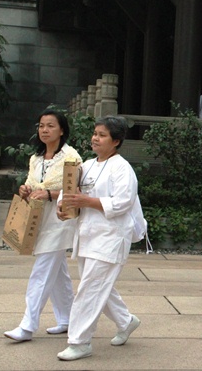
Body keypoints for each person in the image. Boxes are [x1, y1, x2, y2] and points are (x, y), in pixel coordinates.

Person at [55, 116, 145, 361]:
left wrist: (88, 201)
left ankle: (79, 342)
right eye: (95, 133)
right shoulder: (87, 165)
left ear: (116, 141)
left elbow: (123, 202)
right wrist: (63, 206)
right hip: (87, 234)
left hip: (111, 236)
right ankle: (125, 321)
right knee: (96, 285)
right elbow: (68, 189)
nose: (95, 138)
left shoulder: (122, 168)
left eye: (102, 135)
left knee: (90, 289)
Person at [4, 109, 82, 342]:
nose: (44, 130)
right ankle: (67, 318)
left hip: (60, 220)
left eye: (50, 126)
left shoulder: (71, 157)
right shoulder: (36, 158)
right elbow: (31, 185)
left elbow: (75, 190)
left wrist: (49, 194)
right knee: (57, 273)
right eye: (41, 126)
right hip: (39, 219)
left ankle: (27, 326)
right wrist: (25, 190)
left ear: (62, 130)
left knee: (42, 271)